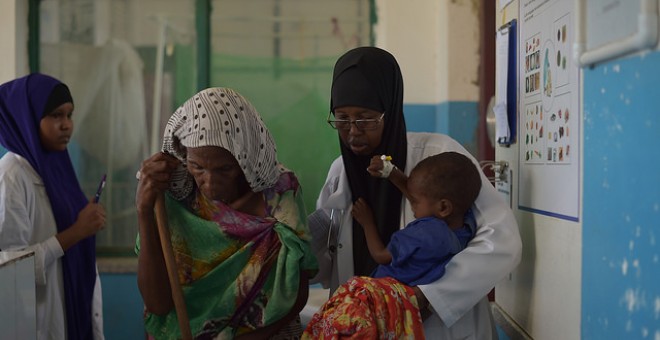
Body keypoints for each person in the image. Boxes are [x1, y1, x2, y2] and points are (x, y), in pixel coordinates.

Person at [309, 46, 522, 339]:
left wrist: (428, 297)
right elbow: (325, 261)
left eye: (366, 118)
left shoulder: (438, 157)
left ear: (391, 111)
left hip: (441, 328)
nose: (353, 131)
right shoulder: (339, 173)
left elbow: (501, 240)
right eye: (342, 119)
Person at [135, 87, 318, 339]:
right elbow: (158, 305)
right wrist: (144, 212)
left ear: (247, 158)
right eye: (197, 167)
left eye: (225, 169)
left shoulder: (278, 193)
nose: (208, 183)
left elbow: (296, 294)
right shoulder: (171, 193)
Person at [303, 152, 482, 338]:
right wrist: (393, 174)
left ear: (444, 208)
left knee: (334, 322)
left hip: (382, 299)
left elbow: (381, 255)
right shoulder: (464, 227)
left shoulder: (425, 232)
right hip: (406, 311)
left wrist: (367, 222)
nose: (411, 206)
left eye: (415, 202)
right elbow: (427, 198)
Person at [0, 73, 106, 340]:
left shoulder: (56, 168)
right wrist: (77, 232)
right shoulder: (12, 176)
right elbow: (10, 270)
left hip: (71, 313)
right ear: (28, 117)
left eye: (69, 115)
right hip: (35, 324)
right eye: (56, 115)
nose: (67, 125)